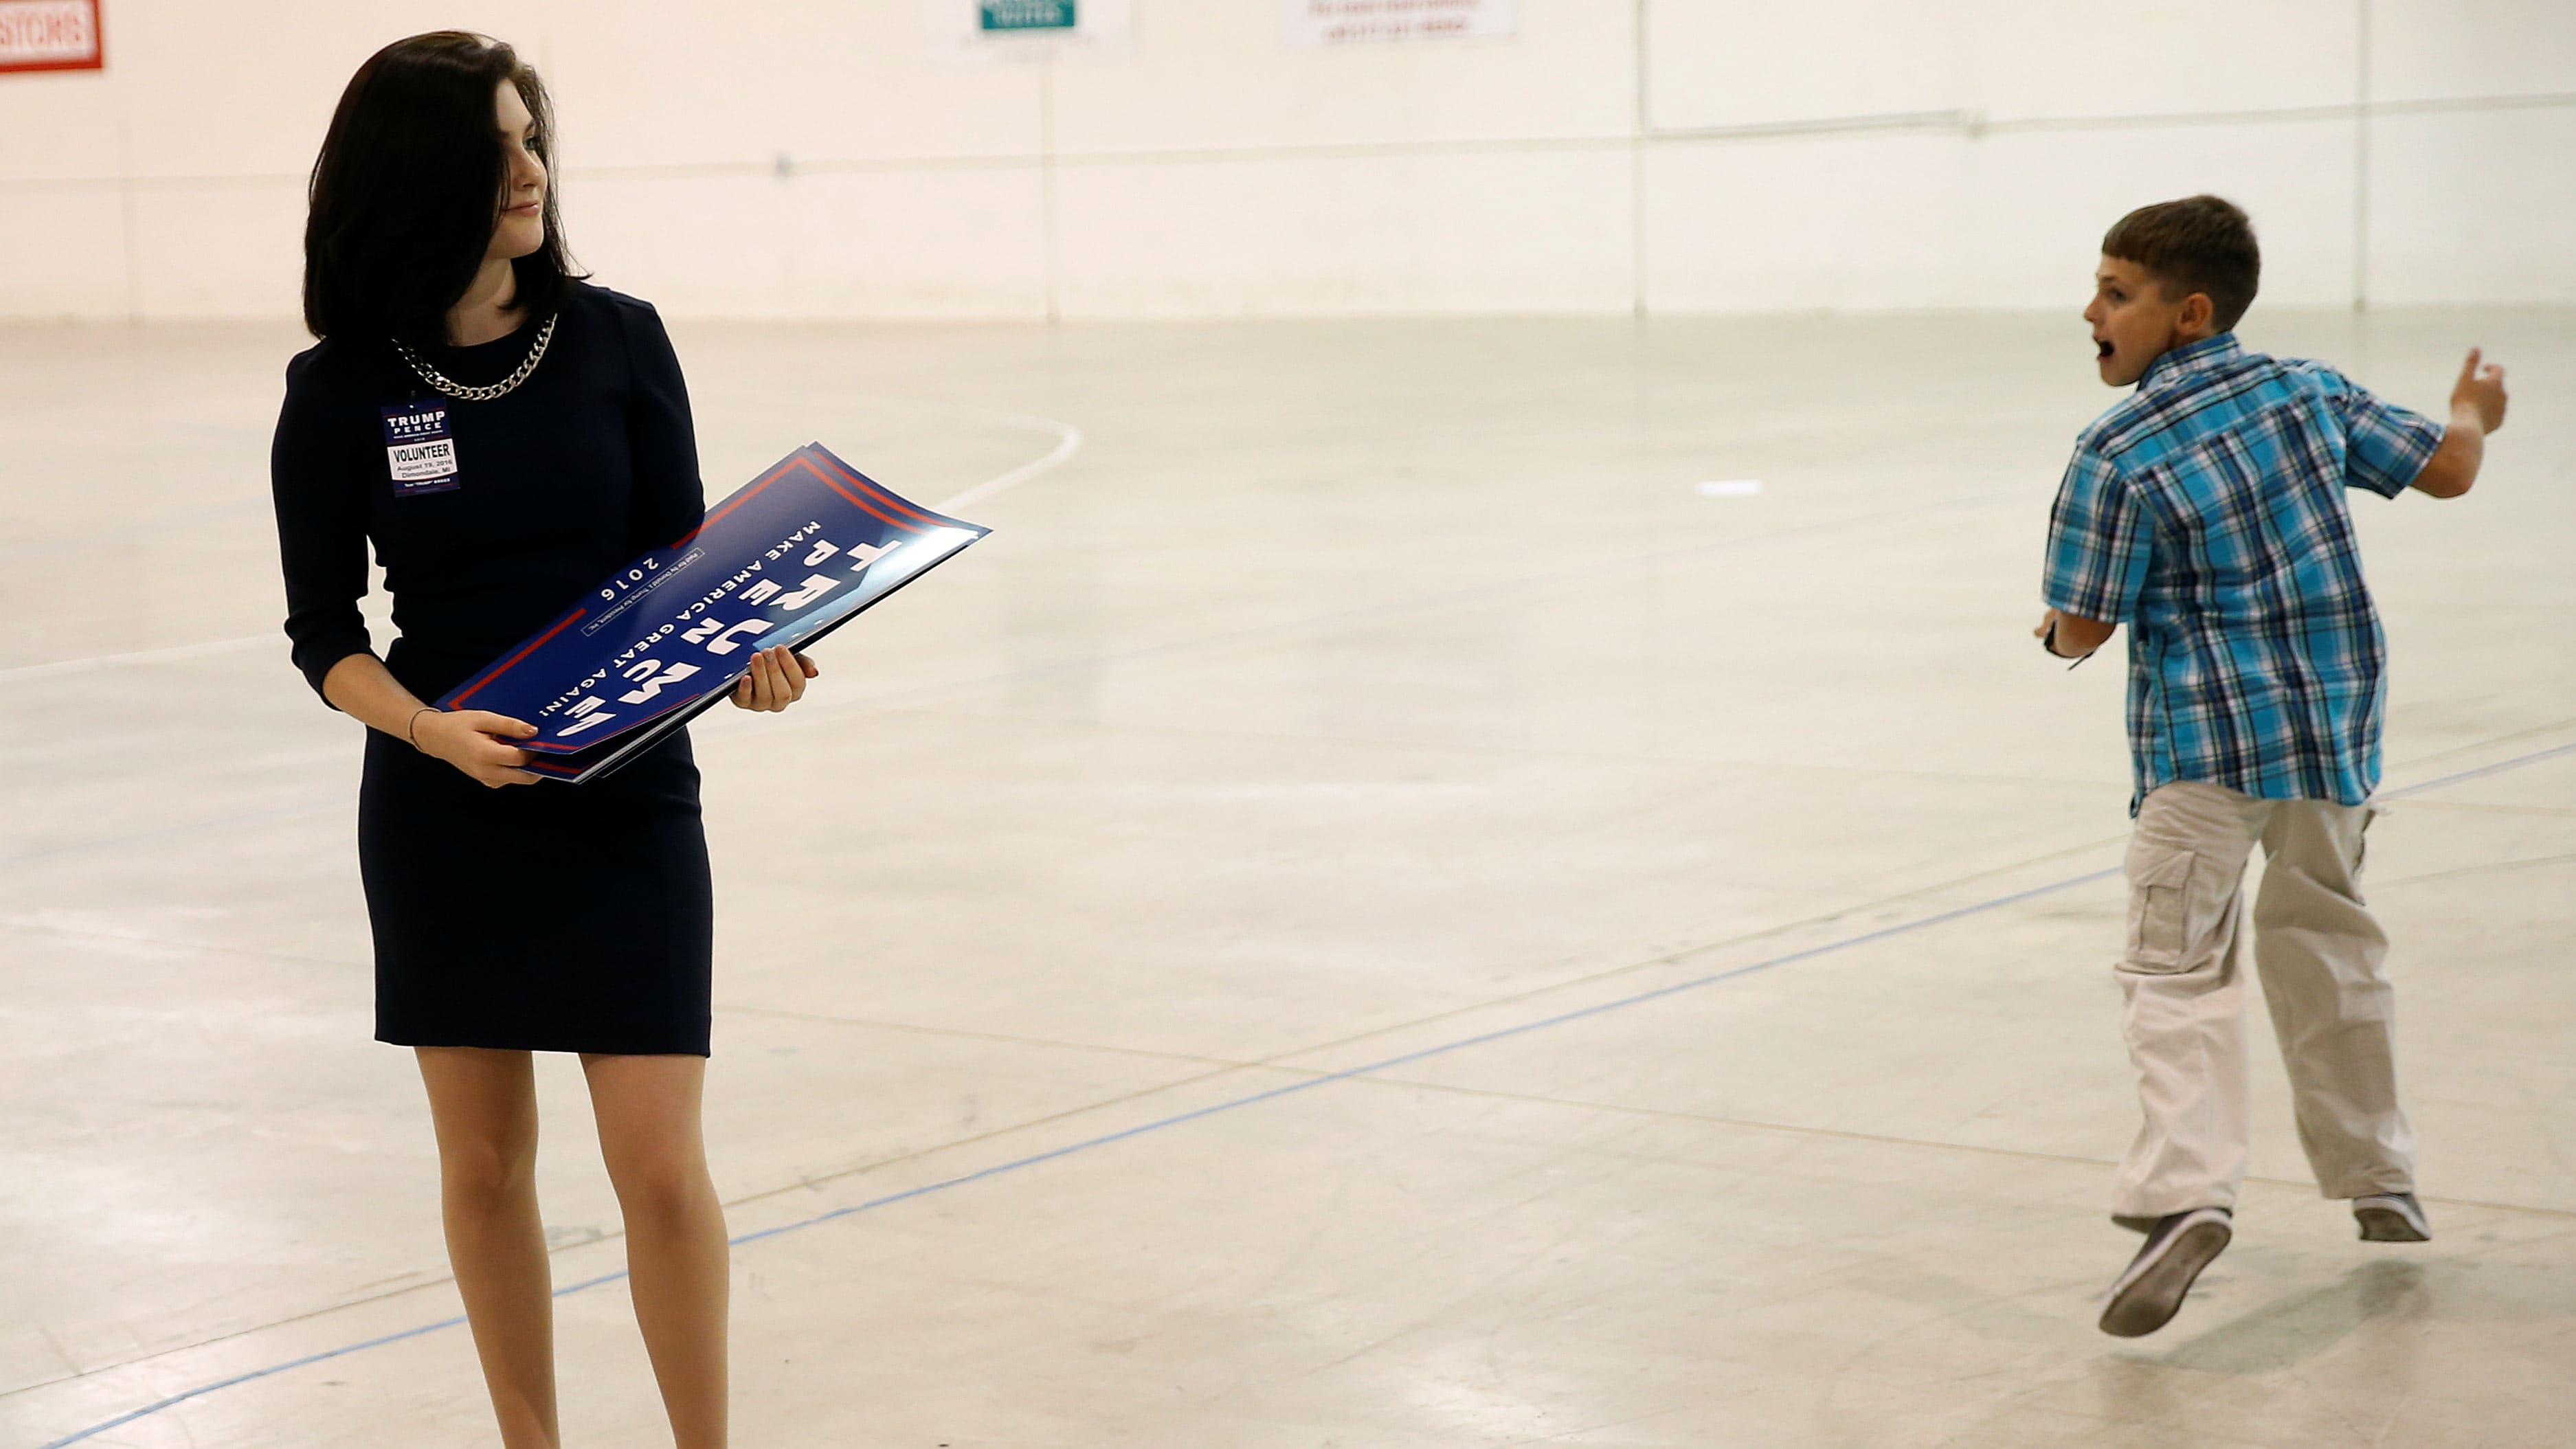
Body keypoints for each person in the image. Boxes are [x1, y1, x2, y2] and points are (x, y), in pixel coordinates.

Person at [269, 32, 816, 1448]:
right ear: (414, 177)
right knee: (484, 1169)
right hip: (445, 803)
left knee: (656, 1164)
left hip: (627, 799)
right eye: (494, 145)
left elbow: (686, 565)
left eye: (532, 137)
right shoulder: (336, 391)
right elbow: (323, 633)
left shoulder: (620, 337)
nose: (529, 169)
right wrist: (428, 731)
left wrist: (746, 655)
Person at [2033, 194, 2506, 1339]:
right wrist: (2470, 411)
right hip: (2332, 741)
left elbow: (2082, 622)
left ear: (2184, 313)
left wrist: (2052, 636)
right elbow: (2445, 471)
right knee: (2330, 942)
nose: (2088, 310)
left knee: (2176, 971)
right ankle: (2377, 1178)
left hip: (2201, 754)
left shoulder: (2116, 449)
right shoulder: (2305, 390)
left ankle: (2185, 1195)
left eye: (2114, 291)